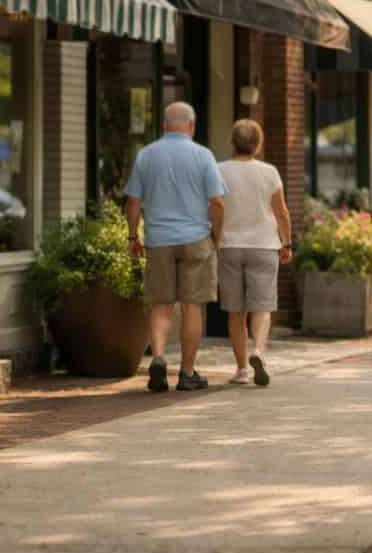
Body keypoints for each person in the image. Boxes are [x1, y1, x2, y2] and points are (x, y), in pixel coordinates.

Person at [124, 102, 227, 394]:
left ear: (164, 126)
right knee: (192, 306)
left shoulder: (146, 155)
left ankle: (157, 359)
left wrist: (133, 237)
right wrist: (217, 237)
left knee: (161, 304)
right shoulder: (203, 155)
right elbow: (217, 202)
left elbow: (133, 202)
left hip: (159, 240)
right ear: (192, 126)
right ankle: (187, 373)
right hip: (196, 239)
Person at [217, 120, 292, 387]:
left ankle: (240, 370)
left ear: (233, 142)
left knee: (236, 311)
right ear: (257, 144)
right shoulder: (269, 172)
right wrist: (287, 243)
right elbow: (281, 211)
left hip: (230, 246)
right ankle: (258, 351)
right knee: (262, 307)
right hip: (263, 245)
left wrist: (215, 238)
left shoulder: (219, 170)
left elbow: (214, 207)